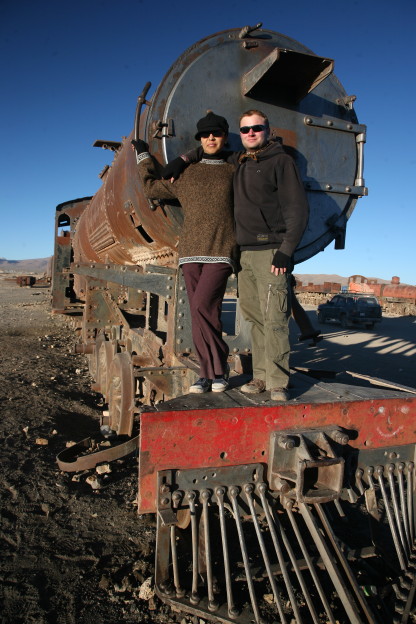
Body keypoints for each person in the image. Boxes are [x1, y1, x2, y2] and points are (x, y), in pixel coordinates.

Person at [164, 109, 309, 401]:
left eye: (257, 128)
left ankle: (278, 381)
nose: (251, 133)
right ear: (239, 136)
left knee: (275, 319)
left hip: (271, 251)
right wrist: (185, 158)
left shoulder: (281, 161)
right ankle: (260, 377)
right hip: (243, 253)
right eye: (245, 130)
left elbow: (298, 209)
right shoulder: (238, 160)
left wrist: (285, 251)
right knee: (255, 318)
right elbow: (207, 150)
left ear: (267, 130)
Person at [132, 112, 236, 394]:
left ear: (225, 137)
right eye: (205, 134)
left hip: (221, 250)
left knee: (202, 306)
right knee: (203, 313)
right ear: (200, 139)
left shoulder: (233, 169)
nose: (211, 138)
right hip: (190, 254)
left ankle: (218, 369)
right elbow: (152, 186)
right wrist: (143, 156)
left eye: (216, 133)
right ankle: (207, 374)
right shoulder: (186, 174)